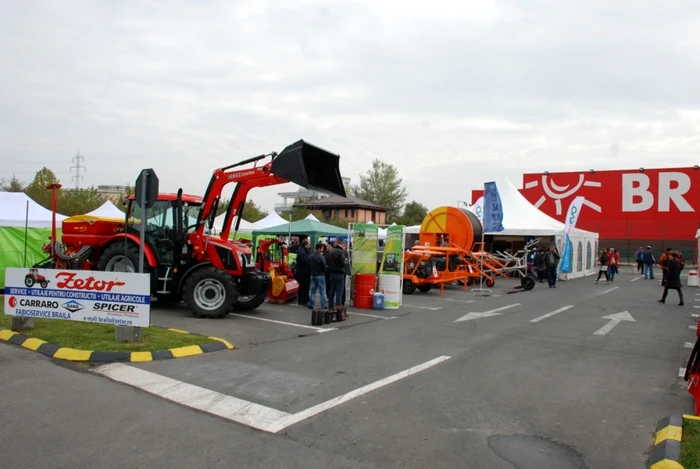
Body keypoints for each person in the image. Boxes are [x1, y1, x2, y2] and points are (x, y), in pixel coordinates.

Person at [307, 242, 328, 310]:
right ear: (318, 249)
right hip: (320, 275)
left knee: (312, 291)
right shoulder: (321, 257)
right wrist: (324, 270)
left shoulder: (310, 257)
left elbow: (309, 266)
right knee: (322, 291)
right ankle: (323, 304)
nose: (323, 249)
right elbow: (324, 267)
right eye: (322, 248)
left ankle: (311, 304)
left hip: (313, 275)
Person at [327, 242, 347, 310]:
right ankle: (338, 310)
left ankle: (330, 307)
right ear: (341, 245)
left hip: (332, 273)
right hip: (339, 273)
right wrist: (346, 261)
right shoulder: (341, 252)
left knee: (332, 292)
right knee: (339, 293)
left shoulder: (331, 251)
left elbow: (328, 262)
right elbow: (342, 264)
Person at [295, 238, 312, 306]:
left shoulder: (304, 250)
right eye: (309, 244)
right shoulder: (301, 250)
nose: (310, 245)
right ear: (306, 244)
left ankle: (306, 299)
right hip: (302, 271)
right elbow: (305, 260)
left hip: (305, 271)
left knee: (306, 286)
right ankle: (302, 301)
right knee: (303, 286)